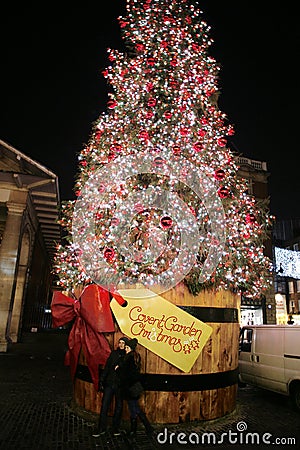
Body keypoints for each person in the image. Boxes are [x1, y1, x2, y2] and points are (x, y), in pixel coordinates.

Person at [116, 338, 154, 437]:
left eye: (127, 347)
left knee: (134, 408)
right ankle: (143, 428)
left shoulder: (129, 358)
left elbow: (127, 374)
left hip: (129, 388)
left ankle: (141, 428)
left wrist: (118, 369)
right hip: (132, 387)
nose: (125, 349)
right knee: (134, 408)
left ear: (131, 348)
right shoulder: (134, 357)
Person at [92, 336, 128, 437]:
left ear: (126, 345)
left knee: (119, 407)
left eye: (123, 343)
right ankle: (101, 428)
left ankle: (115, 428)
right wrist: (102, 379)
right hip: (110, 383)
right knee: (104, 406)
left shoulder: (127, 356)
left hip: (120, 385)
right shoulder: (114, 354)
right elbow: (107, 367)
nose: (121, 344)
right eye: (120, 342)